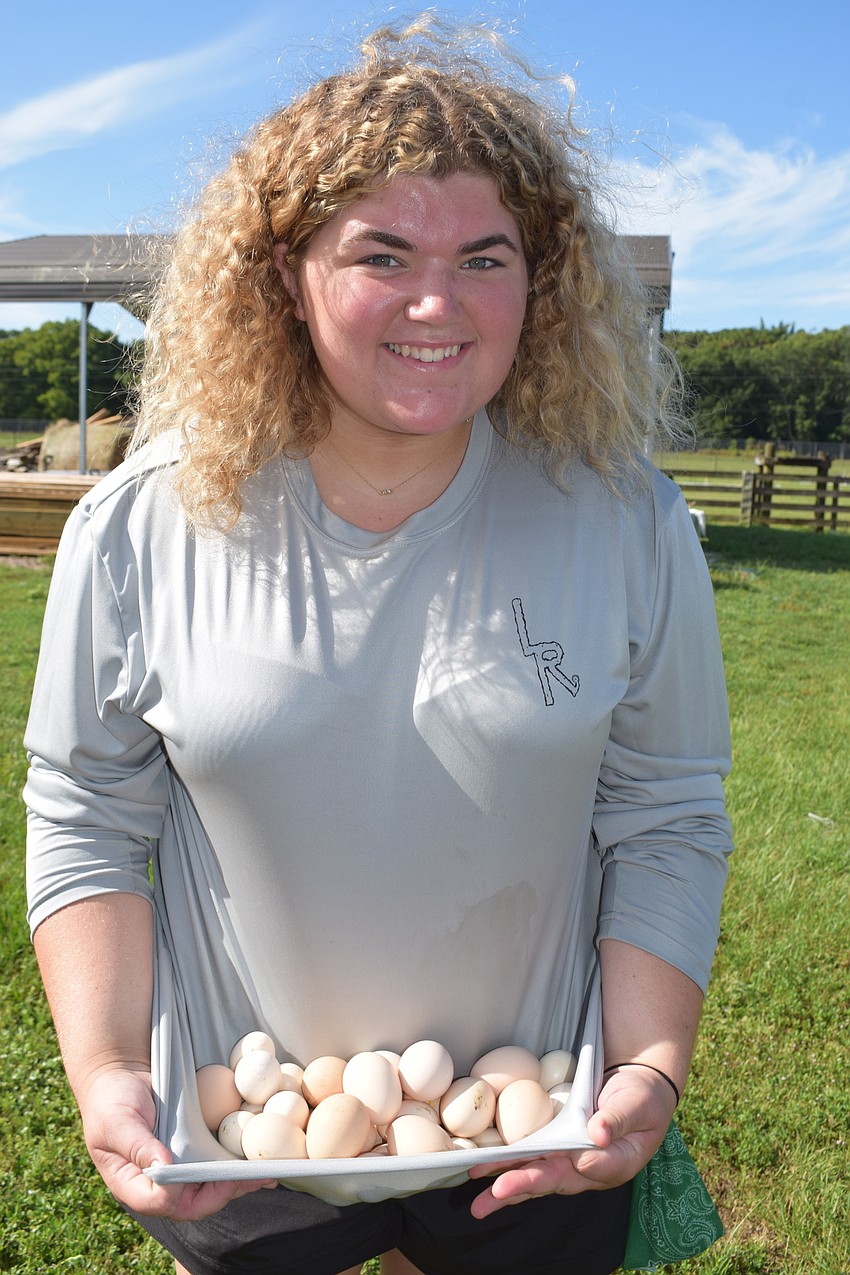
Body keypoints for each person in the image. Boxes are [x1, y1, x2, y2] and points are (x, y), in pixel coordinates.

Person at [24, 16, 733, 1275]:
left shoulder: (625, 521)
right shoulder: (142, 526)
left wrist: (646, 1070)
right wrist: (111, 1070)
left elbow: (665, 811)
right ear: (283, 274)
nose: (433, 301)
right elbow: (86, 808)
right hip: (243, 1137)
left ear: (544, 280)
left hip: (534, 1136)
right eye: (382, 251)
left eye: (484, 256)